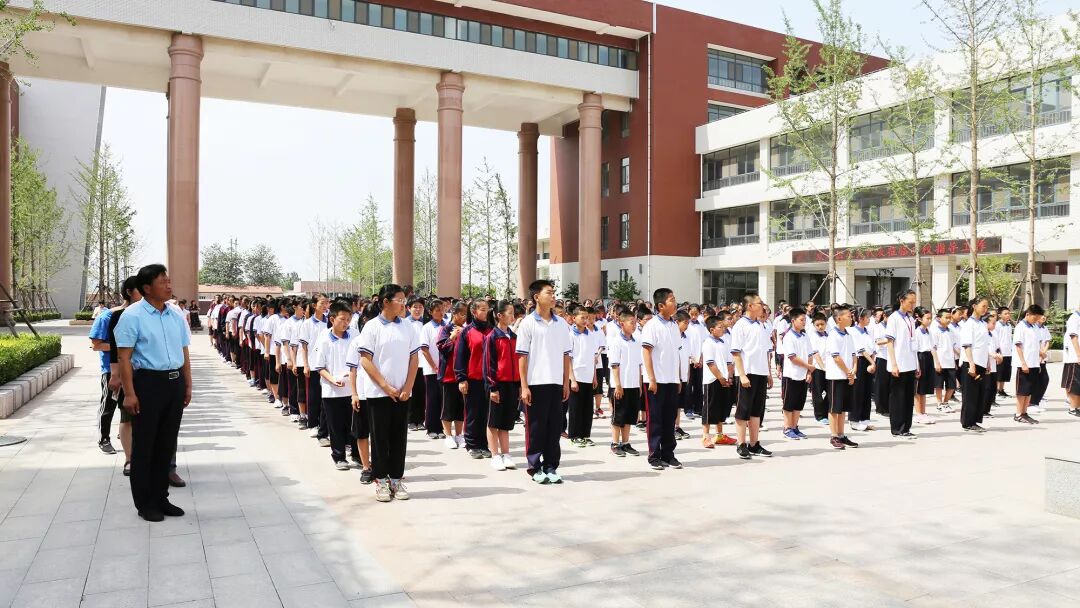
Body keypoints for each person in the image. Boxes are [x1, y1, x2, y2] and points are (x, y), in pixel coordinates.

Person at [114, 264, 191, 522]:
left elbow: (184, 351)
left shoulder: (175, 315)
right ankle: (145, 503)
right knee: (145, 445)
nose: (169, 285)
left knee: (166, 444)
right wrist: (129, 393)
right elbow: (124, 358)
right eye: (162, 282)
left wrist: (187, 385)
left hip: (174, 383)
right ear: (147, 288)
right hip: (148, 384)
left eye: (169, 280)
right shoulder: (133, 316)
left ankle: (161, 498)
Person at [355, 285, 420, 502]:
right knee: (380, 438)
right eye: (399, 300)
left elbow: (414, 358)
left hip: (402, 393)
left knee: (399, 438)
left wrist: (408, 387)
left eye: (404, 300)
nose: (403, 304)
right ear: (385, 302)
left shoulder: (408, 327)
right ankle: (381, 480)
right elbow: (365, 360)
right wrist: (385, 386)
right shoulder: (372, 327)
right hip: (378, 393)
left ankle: (396, 479)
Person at [517, 280, 572, 484]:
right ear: (536, 297)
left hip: (556, 383)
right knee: (536, 428)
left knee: (554, 428)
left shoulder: (562, 324)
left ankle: (551, 466)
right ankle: (535, 467)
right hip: (535, 384)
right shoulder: (528, 323)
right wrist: (524, 386)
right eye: (549, 292)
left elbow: (566, 354)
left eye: (554, 292)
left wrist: (565, 382)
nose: (553, 296)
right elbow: (522, 356)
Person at [641, 288, 684, 470]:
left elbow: (676, 354)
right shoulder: (652, 326)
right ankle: (654, 455)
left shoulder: (674, 326)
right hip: (656, 381)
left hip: (671, 379)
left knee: (669, 418)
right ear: (661, 305)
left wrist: (678, 378)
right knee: (655, 419)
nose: (675, 302)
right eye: (671, 300)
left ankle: (668, 454)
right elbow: (646, 352)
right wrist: (651, 378)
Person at [314, 301, 357, 471]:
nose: (346, 323)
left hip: (352, 389)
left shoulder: (354, 335)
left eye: (348, 319)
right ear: (332, 319)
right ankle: (339, 457)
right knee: (335, 425)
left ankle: (357, 455)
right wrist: (332, 380)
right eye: (342, 319)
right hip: (332, 391)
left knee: (353, 425)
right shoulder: (324, 338)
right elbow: (320, 367)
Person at [730, 292, 773, 460]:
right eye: (759, 303)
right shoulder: (741, 325)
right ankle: (741, 444)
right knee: (743, 410)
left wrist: (768, 373)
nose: (762, 306)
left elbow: (765, 352)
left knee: (757, 411)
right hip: (747, 373)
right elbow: (736, 353)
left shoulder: (761, 325)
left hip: (760, 372)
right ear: (750, 306)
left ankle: (754, 444)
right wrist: (741, 375)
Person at [482, 300, 520, 471]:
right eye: (510, 313)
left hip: (511, 384)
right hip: (497, 385)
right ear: (499, 315)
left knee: (506, 421)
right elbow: (488, 364)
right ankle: (495, 455)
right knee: (493, 421)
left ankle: (506, 454)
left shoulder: (514, 336)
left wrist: (519, 384)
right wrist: (493, 387)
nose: (513, 316)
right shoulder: (492, 337)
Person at [456, 300, 495, 458]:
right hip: (473, 379)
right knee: (473, 413)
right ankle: (472, 444)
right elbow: (460, 357)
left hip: (490, 380)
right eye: (483, 309)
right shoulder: (467, 332)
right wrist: (461, 378)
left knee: (487, 414)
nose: (486, 312)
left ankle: (484, 444)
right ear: (474, 312)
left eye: (487, 309)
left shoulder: (492, 330)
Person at [607, 308, 643, 457]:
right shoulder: (616, 341)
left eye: (635, 323)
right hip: (620, 385)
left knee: (629, 416)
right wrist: (617, 385)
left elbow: (639, 365)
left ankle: (626, 443)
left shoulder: (636, 342)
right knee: (618, 416)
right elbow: (615, 365)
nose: (634, 325)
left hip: (633, 384)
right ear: (622, 324)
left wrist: (639, 385)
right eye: (631, 322)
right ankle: (615, 443)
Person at [885, 290, 919, 439]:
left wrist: (917, 365)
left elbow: (914, 344)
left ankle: (906, 428)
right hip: (899, 364)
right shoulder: (894, 318)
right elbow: (890, 343)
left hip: (910, 363)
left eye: (914, 302)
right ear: (901, 300)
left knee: (908, 399)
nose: (912, 305)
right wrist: (893, 364)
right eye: (910, 302)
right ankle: (897, 429)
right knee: (898, 398)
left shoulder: (910, 319)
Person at [824, 305, 859, 449]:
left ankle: (841, 434)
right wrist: (848, 372)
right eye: (848, 316)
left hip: (847, 375)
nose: (851, 318)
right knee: (834, 408)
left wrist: (854, 370)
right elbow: (836, 357)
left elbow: (854, 355)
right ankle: (834, 436)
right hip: (836, 376)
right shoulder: (833, 335)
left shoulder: (848, 334)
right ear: (839, 319)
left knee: (843, 407)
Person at [566, 305, 599, 448]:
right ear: (574, 318)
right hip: (576, 376)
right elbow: (568, 358)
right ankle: (574, 435)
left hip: (588, 375)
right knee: (575, 408)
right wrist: (572, 379)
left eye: (587, 317)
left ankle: (585, 435)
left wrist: (594, 376)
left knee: (587, 408)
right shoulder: (570, 335)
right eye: (582, 317)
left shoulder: (590, 334)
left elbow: (593, 357)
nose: (586, 320)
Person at [438, 301, 469, 449]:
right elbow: (441, 347)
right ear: (454, 314)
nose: (464, 317)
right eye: (461, 314)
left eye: (465, 314)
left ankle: (459, 434)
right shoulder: (445, 329)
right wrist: (452, 337)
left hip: (462, 375)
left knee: (460, 407)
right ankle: (448, 435)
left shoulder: (467, 330)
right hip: (448, 374)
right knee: (448, 407)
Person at [780, 307, 814, 441]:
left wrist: (809, 372)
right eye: (801, 320)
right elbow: (792, 357)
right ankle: (787, 428)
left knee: (799, 403)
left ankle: (794, 427)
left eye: (805, 320)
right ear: (793, 321)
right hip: (791, 375)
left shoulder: (805, 336)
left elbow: (810, 354)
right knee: (789, 403)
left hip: (803, 375)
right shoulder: (788, 337)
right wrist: (808, 367)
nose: (804, 322)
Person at [959, 297, 992, 433]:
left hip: (981, 362)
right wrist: (971, 364)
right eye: (983, 306)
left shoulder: (982, 324)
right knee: (970, 394)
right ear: (974, 306)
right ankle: (967, 422)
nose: (985, 309)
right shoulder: (969, 324)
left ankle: (975, 420)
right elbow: (967, 345)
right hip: (971, 362)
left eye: (987, 306)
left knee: (979, 393)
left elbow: (985, 345)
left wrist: (988, 362)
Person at [420, 299, 448, 439]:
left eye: (442, 309)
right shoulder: (427, 328)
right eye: (437, 310)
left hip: (445, 369)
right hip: (432, 370)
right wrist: (434, 366)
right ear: (431, 312)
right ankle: (431, 427)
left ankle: (441, 427)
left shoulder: (447, 325)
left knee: (443, 399)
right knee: (432, 399)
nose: (441, 312)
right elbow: (424, 349)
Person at [1013, 304, 1043, 425]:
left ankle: (1025, 412)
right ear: (1028, 314)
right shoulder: (1020, 327)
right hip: (1024, 364)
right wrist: (1023, 363)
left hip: (1034, 363)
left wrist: (1038, 362)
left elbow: (1035, 346)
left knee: (1030, 390)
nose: (1036, 320)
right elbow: (1018, 346)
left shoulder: (1034, 327)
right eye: (1035, 318)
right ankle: (1018, 414)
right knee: (1022, 390)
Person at [849, 308, 877, 432]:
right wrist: (872, 362)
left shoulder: (868, 331)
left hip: (869, 361)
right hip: (859, 361)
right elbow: (860, 349)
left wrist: (872, 362)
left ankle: (865, 420)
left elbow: (873, 348)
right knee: (857, 392)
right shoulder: (853, 331)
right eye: (867, 317)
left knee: (867, 392)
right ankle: (854, 420)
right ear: (860, 318)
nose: (869, 319)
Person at [406, 297, 428, 432]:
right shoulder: (404, 324)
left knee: (421, 392)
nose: (418, 309)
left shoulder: (426, 323)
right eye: (415, 307)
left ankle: (420, 420)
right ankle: (410, 420)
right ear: (409, 308)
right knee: (411, 391)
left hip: (423, 363)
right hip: (409, 363)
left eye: (420, 307)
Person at [914, 307, 937, 425]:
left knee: (925, 388)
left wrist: (936, 361)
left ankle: (923, 412)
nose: (929, 320)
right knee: (919, 389)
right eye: (927, 318)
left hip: (928, 357)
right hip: (920, 358)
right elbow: (915, 351)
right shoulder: (916, 332)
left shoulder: (929, 331)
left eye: (930, 318)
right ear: (919, 319)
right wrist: (917, 367)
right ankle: (918, 413)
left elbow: (932, 347)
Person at [933, 309, 958, 413]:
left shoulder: (951, 331)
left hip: (950, 362)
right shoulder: (935, 331)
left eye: (949, 317)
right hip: (940, 362)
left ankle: (946, 402)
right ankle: (939, 403)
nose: (948, 320)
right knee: (939, 385)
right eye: (946, 317)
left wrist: (958, 359)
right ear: (939, 318)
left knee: (952, 385)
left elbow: (953, 347)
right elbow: (933, 348)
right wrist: (936, 362)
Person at [1062, 303, 1080, 417]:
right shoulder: (1074, 318)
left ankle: (1076, 407)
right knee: (1075, 384)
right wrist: (1078, 355)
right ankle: (1073, 408)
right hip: (1074, 357)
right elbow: (1073, 337)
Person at [995, 307, 1014, 399]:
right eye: (1005, 313)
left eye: (1009, 313)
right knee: (999, 372)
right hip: (1000, 353)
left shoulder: (1009, 325)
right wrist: (998, 352)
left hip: (1008, 352)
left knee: (1005, 373)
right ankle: (996, 390)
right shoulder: (997, 325)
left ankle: (1001, 390)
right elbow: (996, 339)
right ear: (999, 315)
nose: (1008, 315)